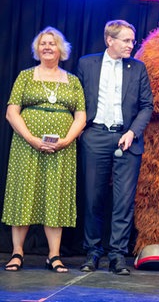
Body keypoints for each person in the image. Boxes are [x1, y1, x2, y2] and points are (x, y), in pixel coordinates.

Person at [3, 27, 86, 273]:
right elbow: (11, 112)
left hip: (62, 149)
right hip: (26, 146)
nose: (47, 47)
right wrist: (31, 138)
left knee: (55, 197)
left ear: (61, 49)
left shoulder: (73, 81)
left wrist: (66, 140)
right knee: (23, 195)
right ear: (37, 49)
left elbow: (81, 116)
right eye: (42, 44)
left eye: (51, 43)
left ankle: (54, 255)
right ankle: (17, 253)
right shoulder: (25, 76)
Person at [77, 20, 154, 275]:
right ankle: (93, 251)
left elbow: (146, 105)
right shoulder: (87, 64)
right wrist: (82, 132)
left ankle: (117, 256)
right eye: (126, 40)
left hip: (127, 138)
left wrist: (132, 132)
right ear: (109, 40)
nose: (132, 45)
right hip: (96, 136)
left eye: (133, 40)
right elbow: (78, 102)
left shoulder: (138, 68)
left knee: (123, 202)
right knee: (93, 199)